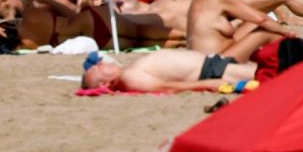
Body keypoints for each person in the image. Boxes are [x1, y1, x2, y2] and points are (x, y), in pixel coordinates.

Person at [81, 48, 258, 93]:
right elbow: (169, 87)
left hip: (211, 64)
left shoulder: (127, 72)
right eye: (98, 69)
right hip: (211, 72)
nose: (101, 64)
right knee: (270, 74)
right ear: (105, 84)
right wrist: (211, 84)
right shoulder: (130, 78)